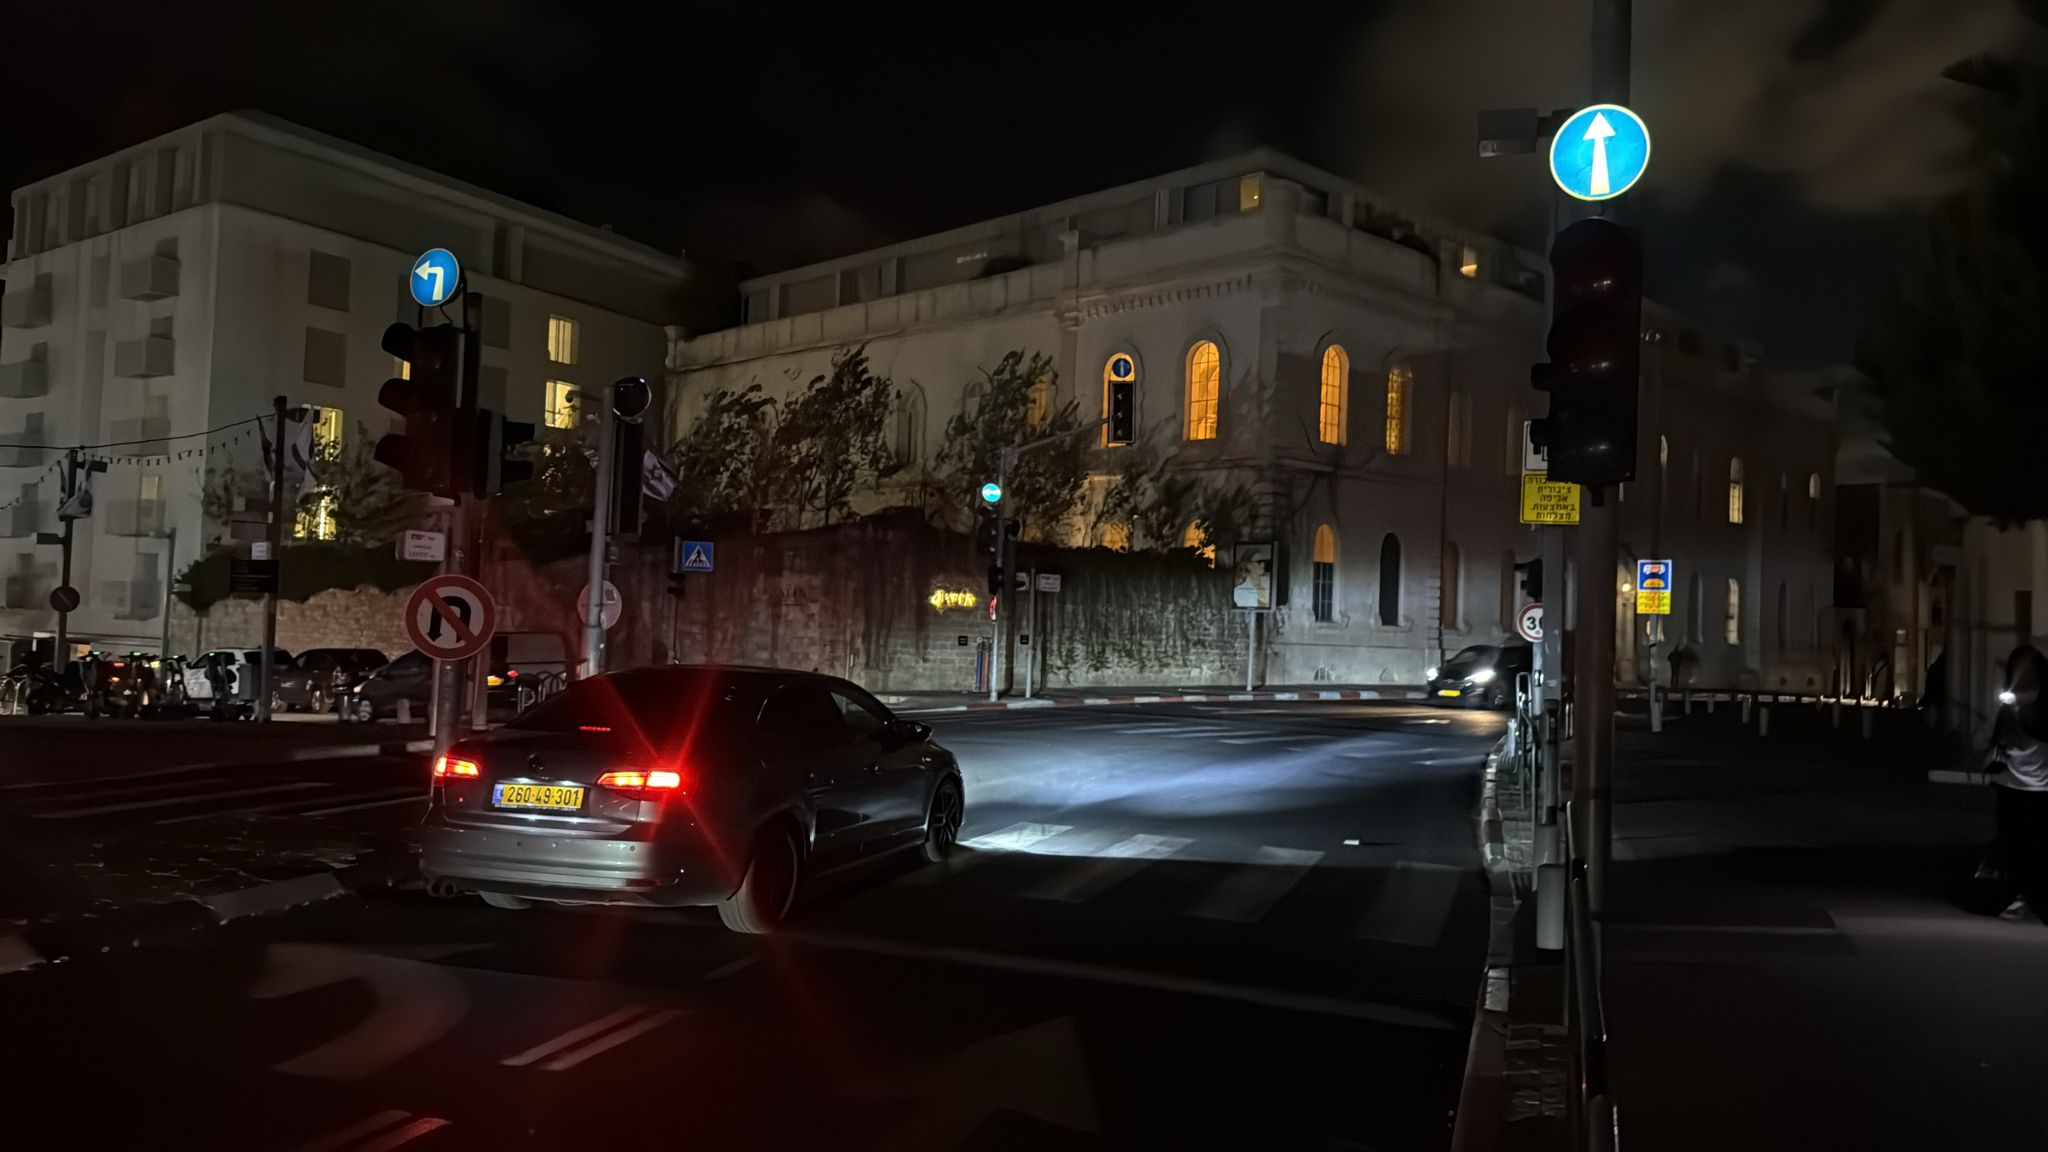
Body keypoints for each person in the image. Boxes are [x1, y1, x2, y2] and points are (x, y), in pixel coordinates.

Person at [1988, 644, 2048, 923]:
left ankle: (2031, 897)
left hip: (2040, 787)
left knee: (2036, 846)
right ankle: (2017, 894)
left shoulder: (2042, 701)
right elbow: (2002, 739)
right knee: (2013, 844)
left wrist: (2021, 708)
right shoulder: (2010, 701)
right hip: (2010, 783)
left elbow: (2039, 731)